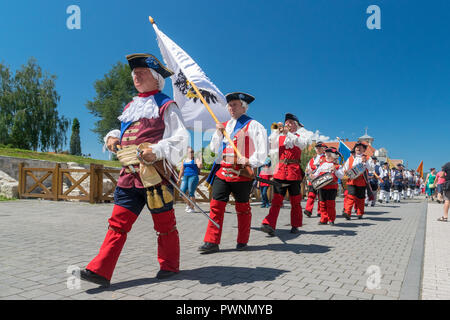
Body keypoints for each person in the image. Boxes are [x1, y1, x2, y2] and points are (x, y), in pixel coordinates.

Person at [78, 53, 190, 287]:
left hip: (156, 179)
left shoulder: (167, 105)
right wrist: (112, 136)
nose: (136, 76)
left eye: (141, 73)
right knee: (117, 223)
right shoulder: (131, 106)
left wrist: (157, 150)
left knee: (165, 226)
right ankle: (100, 270)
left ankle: (170, 265)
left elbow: (181, 138)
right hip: (129, 177)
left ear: (156, 78)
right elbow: (127, 130)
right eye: (134, 73)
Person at [198, 92, 268, 253]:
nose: (231, 107)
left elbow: (262, 152)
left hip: (242, 174)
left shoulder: (254, 125)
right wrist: (217, 133)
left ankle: (242, 240)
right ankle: (212, 241)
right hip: (222, 172)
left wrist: (250, 160)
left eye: (235, 104)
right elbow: (213, 151)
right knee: (216, 206)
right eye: (229, 105)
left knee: (242, 208)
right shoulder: (223, 125)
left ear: (244, 107)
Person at [261, 113, 310, 236]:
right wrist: (277, 131)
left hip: (294, 172)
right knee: (276, 200)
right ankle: (269, 224)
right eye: (286, 122)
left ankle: (296, 225)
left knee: (295, 201)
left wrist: (287, 133)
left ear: (296, 126)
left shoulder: (299, 136)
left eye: (291, 122)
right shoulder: (278, 137)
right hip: (280, 171)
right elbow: (269, 144)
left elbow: (301, 144)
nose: (287, 124)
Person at [338, 141, 375, 220]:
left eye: (360, 147)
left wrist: (366, 162)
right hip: (351, 180)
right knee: (350, 196)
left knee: (360, 198)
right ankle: (347, 212)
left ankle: (360, 213)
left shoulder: (368, 158)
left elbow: (371, 168)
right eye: (357, 147)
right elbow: (345, 168)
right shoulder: (350, 158)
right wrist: (345, 172)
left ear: (364, 150)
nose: (358, 148)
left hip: (361, 181)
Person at [310, 147, 342, 225]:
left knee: (330, 204)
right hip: (322, 187)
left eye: (329, 155)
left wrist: (336, 170)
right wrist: (312, 176)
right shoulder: (322, 165)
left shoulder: (338, 166)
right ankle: (323, 219)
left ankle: (331, 219)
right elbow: (316, 174)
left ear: (334, 156)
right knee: (322, 203)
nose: (327, 156)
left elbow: (341, 176)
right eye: (326, 155)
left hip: (332, 187)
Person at [304, 142, 327, 217]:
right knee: (311, 195)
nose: (318, 149)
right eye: (317, 148)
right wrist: (307, 171)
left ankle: (320, 211)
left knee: (321, 196)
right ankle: (308, 210)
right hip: (313, 180)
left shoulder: (326, 158)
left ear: (323, 149)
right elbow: (308, 168)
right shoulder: (313, 159)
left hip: (321, 179)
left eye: (320, 148)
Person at [177, 146, 202, 213]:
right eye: (190, 152)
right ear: (187, 153)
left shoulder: (195, 159)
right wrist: (179, 178)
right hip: (185, 177)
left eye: (192, 152)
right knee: (181, 193)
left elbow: (199, 165)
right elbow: (182, 170)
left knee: (191, 192)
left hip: (193, 176)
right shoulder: (184, 160)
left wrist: (200, 163)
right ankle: (189, 204)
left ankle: (192, 208)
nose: (191, 153)